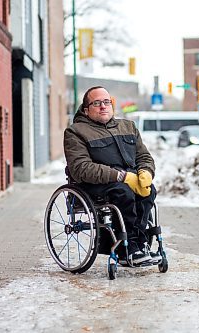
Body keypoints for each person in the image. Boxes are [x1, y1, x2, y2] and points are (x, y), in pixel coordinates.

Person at [63, 86, 158, 265]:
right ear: (86, 109)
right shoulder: (75, 132)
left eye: (107, 102)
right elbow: (81, 168)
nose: (103, 106)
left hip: (128, 180)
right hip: (96, 185)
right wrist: (121, 176)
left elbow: (143, 156)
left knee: (149, 191)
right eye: (96, 103)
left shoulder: (128, 126)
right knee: (124, 193)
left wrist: (146, 171)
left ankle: (139, 243)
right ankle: (127, 248)